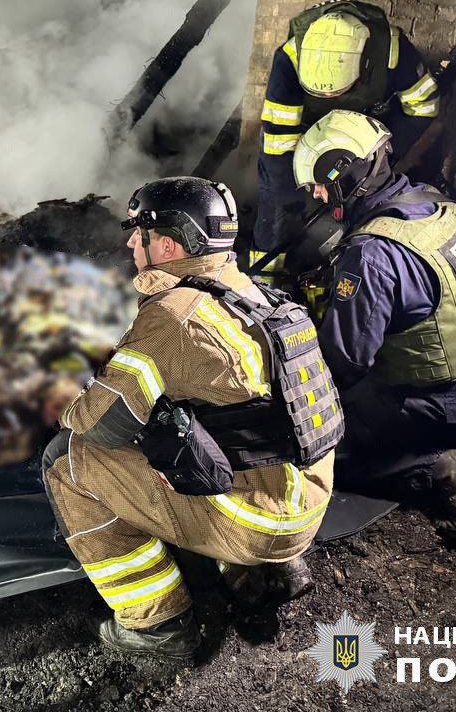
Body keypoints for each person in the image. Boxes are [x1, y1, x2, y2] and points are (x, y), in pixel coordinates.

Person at [43, 176, 339, 659]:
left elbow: (99, 425)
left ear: (167, 244)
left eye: (138, 233)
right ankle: (263, 575)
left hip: (259, 520)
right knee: (190, 428)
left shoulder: (174, 315)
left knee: (66, 461)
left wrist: (67, 397)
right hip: (308, 501)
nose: (130, 244)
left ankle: (157, 623)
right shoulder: (258, 295)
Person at [292, 110, 456, 546]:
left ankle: (447, 473)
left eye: (319, 182)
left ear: (345, 173)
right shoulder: (433, 204)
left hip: (441, 403)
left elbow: (343, 363)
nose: (316, 193)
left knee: (313, 453)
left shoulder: (371, 254)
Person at [251, 0, 442, 281]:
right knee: (278, 207)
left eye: (337, 93)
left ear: (364, 67)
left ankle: (351, 274)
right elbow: (278, 143)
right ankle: (265, 281)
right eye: (321, 95)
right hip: (306, 137)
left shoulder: (393, 52)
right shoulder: (290, 58)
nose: (329, 99)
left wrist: (380, 156)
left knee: (363, 202)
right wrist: (300, 188)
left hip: (361, 137)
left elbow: (423, 107)